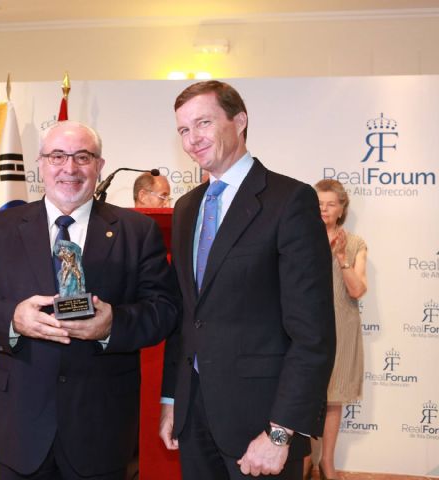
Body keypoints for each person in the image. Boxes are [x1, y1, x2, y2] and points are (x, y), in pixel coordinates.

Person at [0, 120, 178, 480]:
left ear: (99, 165)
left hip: (101, 429)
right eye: (57, 156)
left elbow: (164, 310)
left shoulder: (137, 231)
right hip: (20, 427)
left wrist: (112, 325)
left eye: (82, 157)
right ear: (40, 164)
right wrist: (13, 318)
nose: (69, 168)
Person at [158, 80, 336, 479]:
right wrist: (171, 399)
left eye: (203, 123)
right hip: (193, 418)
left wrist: (280, 432)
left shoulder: (289, 201)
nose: (192, 139)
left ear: (239, 122)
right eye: (183, 129)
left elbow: (313, 333)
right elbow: (187, 316)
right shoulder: (187, 207)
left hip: (262, 424)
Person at [304, 179, 367, 480]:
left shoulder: (355, 244)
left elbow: (357, 290)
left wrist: (342, 260)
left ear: (342, 209)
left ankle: (326, 462)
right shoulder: (300, 238)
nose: (324, 209)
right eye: (319, 203)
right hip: (305, 327)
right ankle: (305, 460)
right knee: (304, 394)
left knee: (332, 399)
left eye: (331, 204)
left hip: (342, 327)